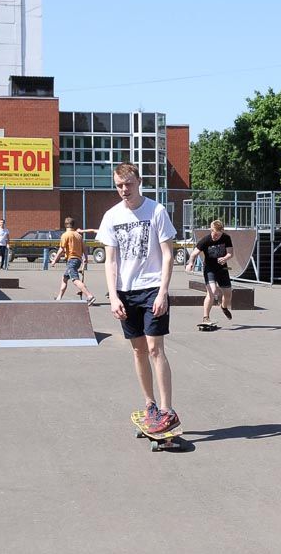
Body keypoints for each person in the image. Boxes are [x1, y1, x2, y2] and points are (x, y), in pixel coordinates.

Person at [97, 163, 179, 434]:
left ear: (139, 181)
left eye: (128, 184)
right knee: (138, 350)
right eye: (119, 185)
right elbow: (110, 261)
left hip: (152, 288)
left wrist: (163, 292)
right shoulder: (111, 216)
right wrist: (113, 297)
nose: (124, 189)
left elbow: (168, 255)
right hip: (125, 292)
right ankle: (150, 403)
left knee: (156, 349)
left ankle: (167, 409)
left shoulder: (156, 210)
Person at [185, 220, 234, 324]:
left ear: (222, 232)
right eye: (214, 234)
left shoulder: (226, 238)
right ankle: (206, 317)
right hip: (209, 269)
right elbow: (193, 254)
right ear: (211, 230)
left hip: (222, 269)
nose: (216, 237)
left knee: (228, 294)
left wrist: (225, 258)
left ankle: (224, 307)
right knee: (212, 291)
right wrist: (190, 264)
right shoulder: (205, 240)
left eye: (218, 235)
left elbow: (230, 253)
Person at [50, 217, 96, 305]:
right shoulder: (78, 235)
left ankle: (90, 296)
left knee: (75, 279)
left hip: (72, 260)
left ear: (65, 225)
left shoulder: (65, 235)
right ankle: (59, 297)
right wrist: (85, 259)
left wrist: (54, 260)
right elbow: (84, 249)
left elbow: (61, 249)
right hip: (78, 260)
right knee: (65, 278)